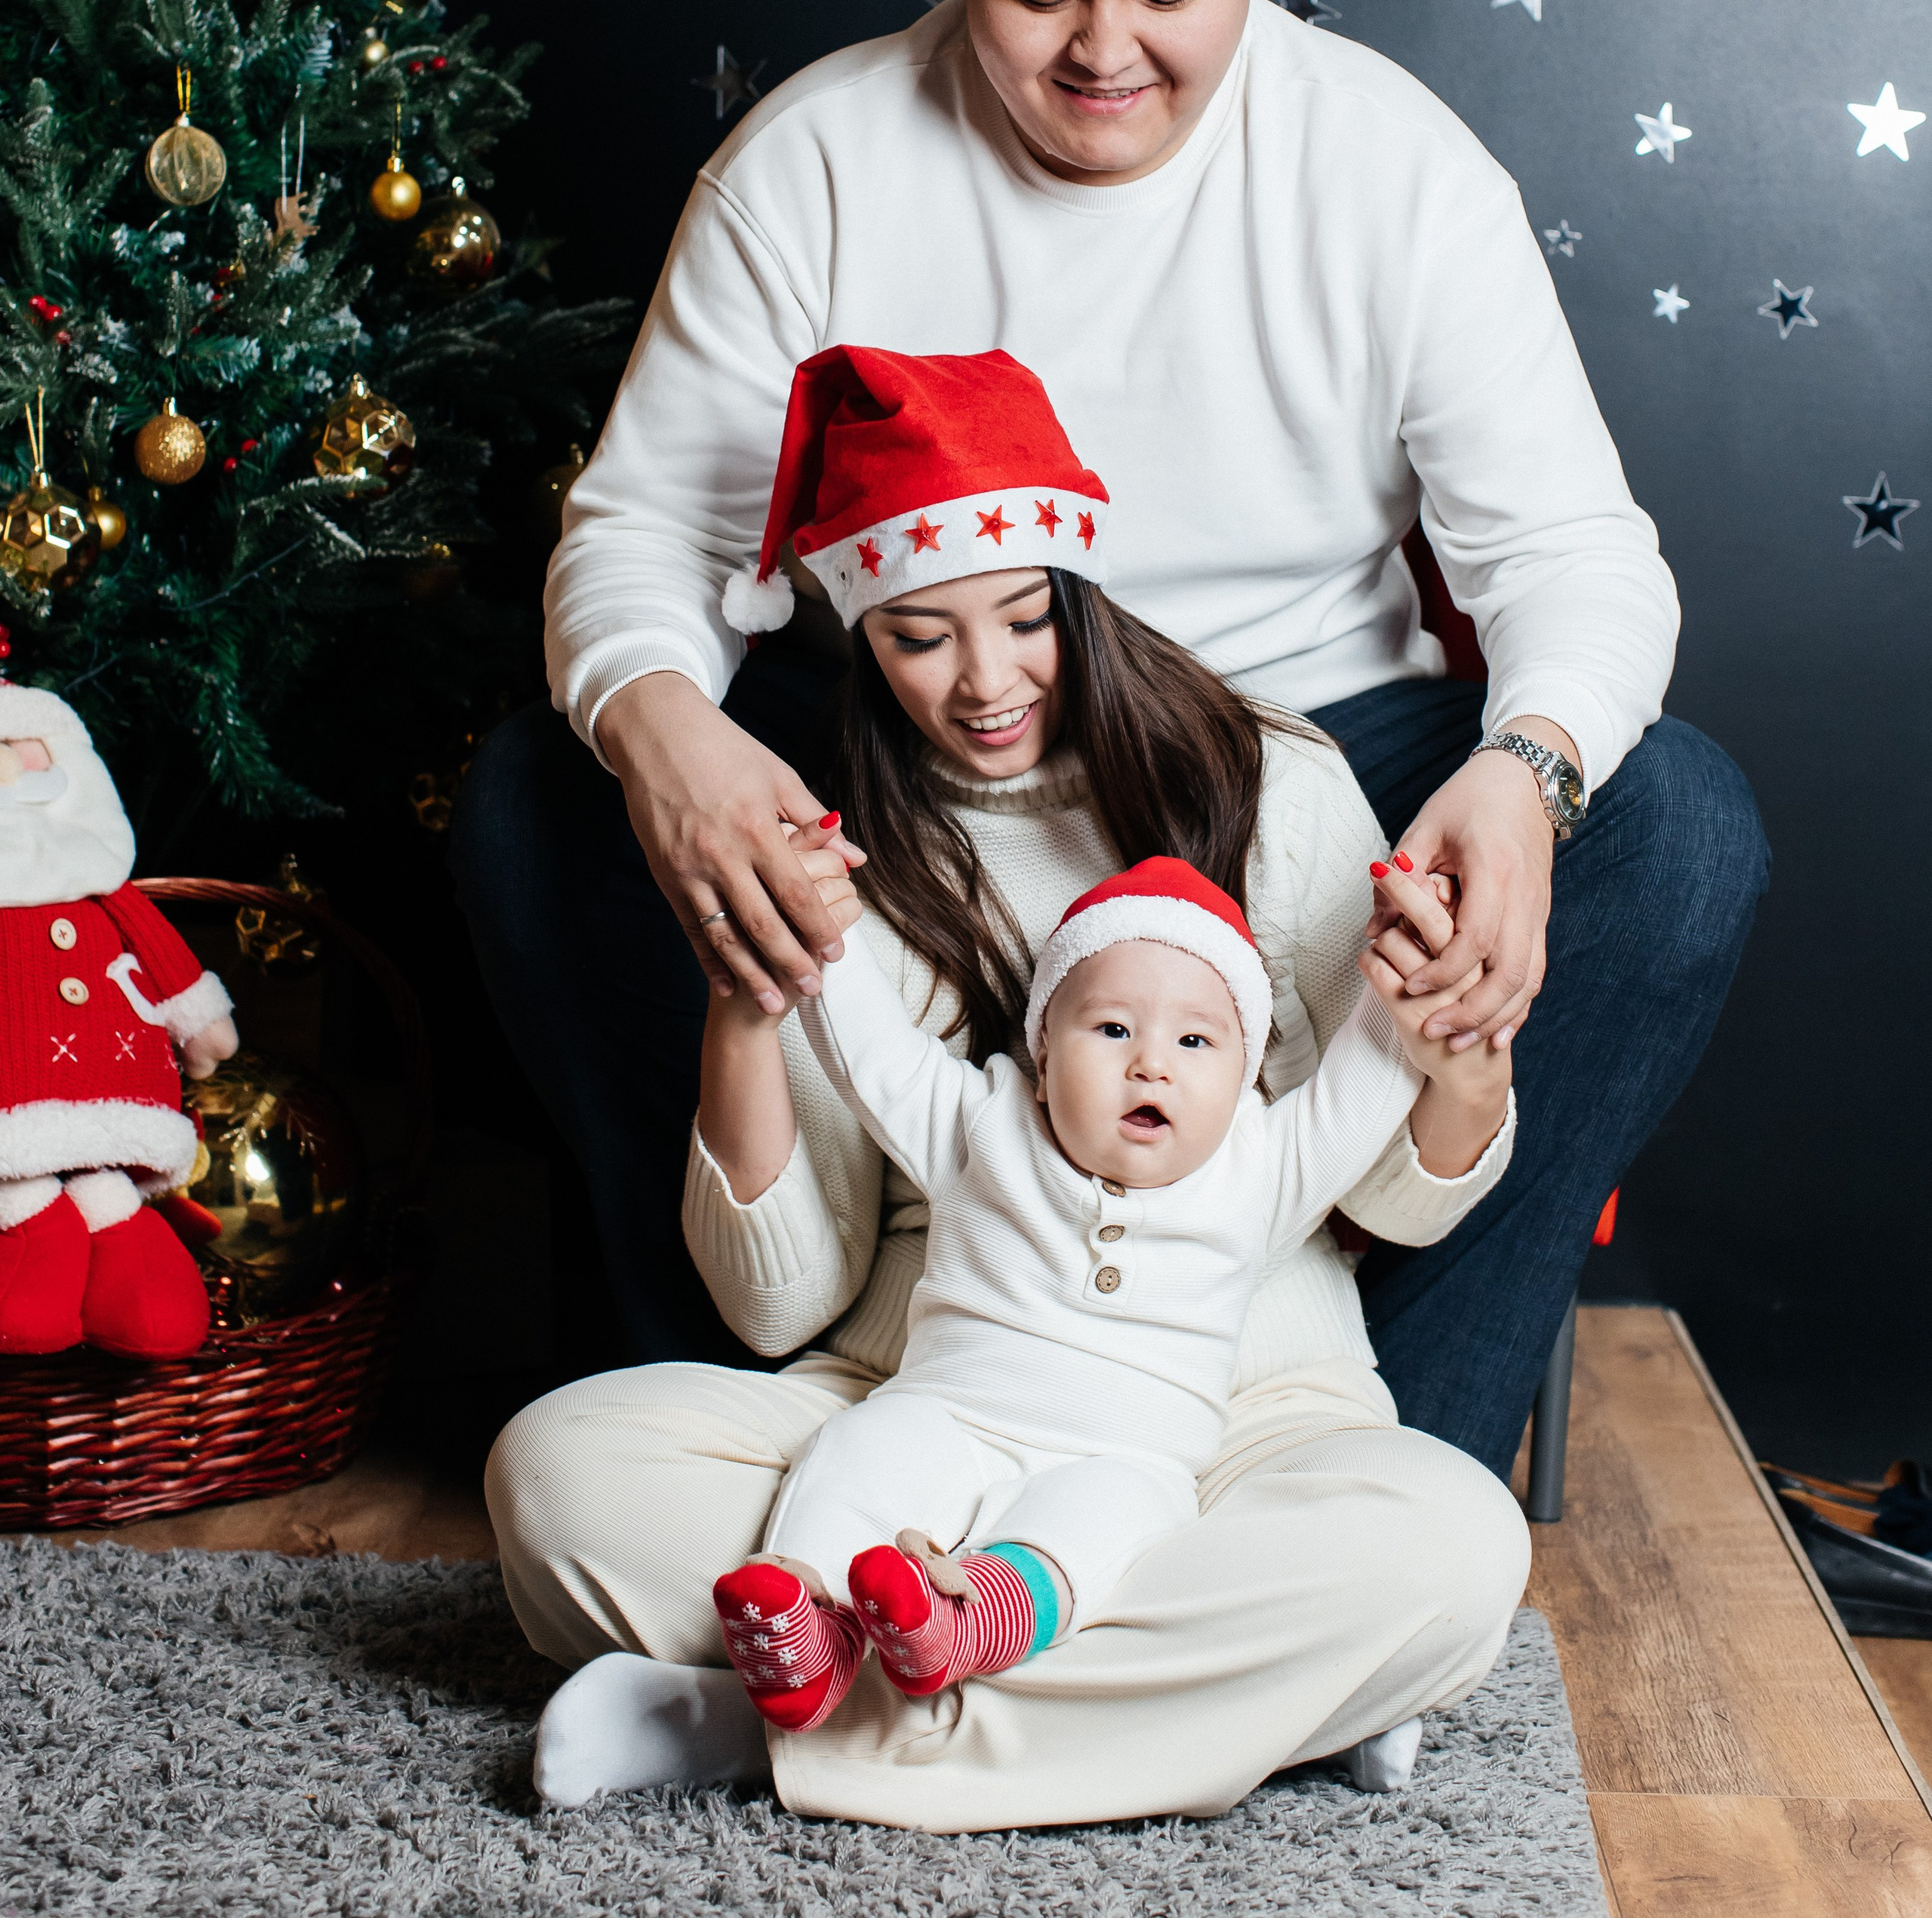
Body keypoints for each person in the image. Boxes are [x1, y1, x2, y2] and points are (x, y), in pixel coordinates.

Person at [455, 0, 1768, 1475]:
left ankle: (1368, 1457)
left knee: (1676, 825)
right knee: (544, 794)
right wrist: (664, 731)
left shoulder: (1391, 165)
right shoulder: (813, 162)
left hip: (1292, 755)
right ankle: (741, 1425)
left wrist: (1526, 775)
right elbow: (642, 536)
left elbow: (1573, 555)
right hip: (908, 763)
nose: (1104, 52)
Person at [488, 346, 1530, 1830]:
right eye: (919, 637)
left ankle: (735, 1721)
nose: (984, 683)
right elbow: (779, 1308)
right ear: (860, 634)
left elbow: (1395, 1200)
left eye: (1026, 618)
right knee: (560, 1479)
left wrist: (1456, 1037)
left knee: (1451, 1547)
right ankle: (1251, 1706)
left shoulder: (1278, 787)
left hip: (1240, 1421)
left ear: (1082, 593)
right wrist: (748, 997)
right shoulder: (836, 868)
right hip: (911, 1400)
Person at [708, 844, 1514, 1735]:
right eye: (1112, 1030)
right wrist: (817, 907)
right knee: (859, 1451)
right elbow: (870, 1050)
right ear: (1043, 1053)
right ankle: (808, 1626)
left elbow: (1365, 1079)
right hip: (947, 1417)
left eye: (1195, 1041)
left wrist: (1413, 961)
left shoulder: (1259, 1168)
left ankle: (966, 1624)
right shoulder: (980, 1123)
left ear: (1243, 1076)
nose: (1151, 1065)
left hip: (1124, 1460)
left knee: (1115, 1520)